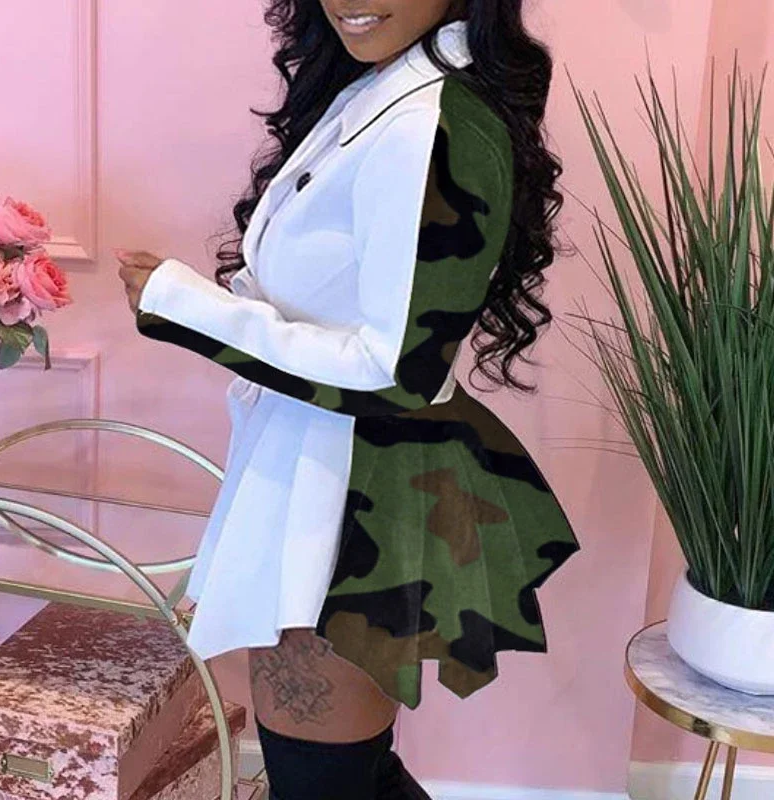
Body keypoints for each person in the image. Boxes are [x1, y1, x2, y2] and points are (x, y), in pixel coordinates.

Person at [116, 1, 580, 797]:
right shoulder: (379, 88)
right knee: (338, 775)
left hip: (358, 489)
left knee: (322, 778)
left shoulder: (434, 123)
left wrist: (187, 307)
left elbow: (394, 371)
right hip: (317, 469)